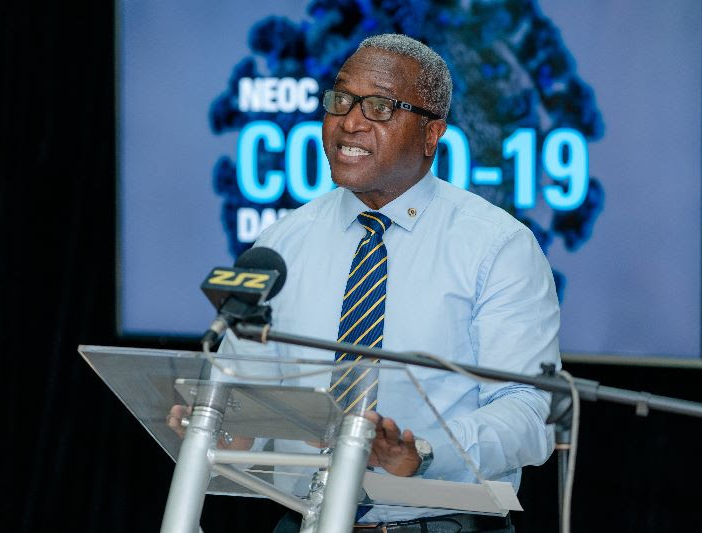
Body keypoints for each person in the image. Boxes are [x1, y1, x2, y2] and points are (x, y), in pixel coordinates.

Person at [195, 33, 560, 532]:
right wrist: (221, 423)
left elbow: (528, 412)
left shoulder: (497, 247)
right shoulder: (281, 243)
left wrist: (423, 451)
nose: (349, 121)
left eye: (380, 107)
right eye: (341, 100)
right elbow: (246, 397)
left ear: (432, 134)